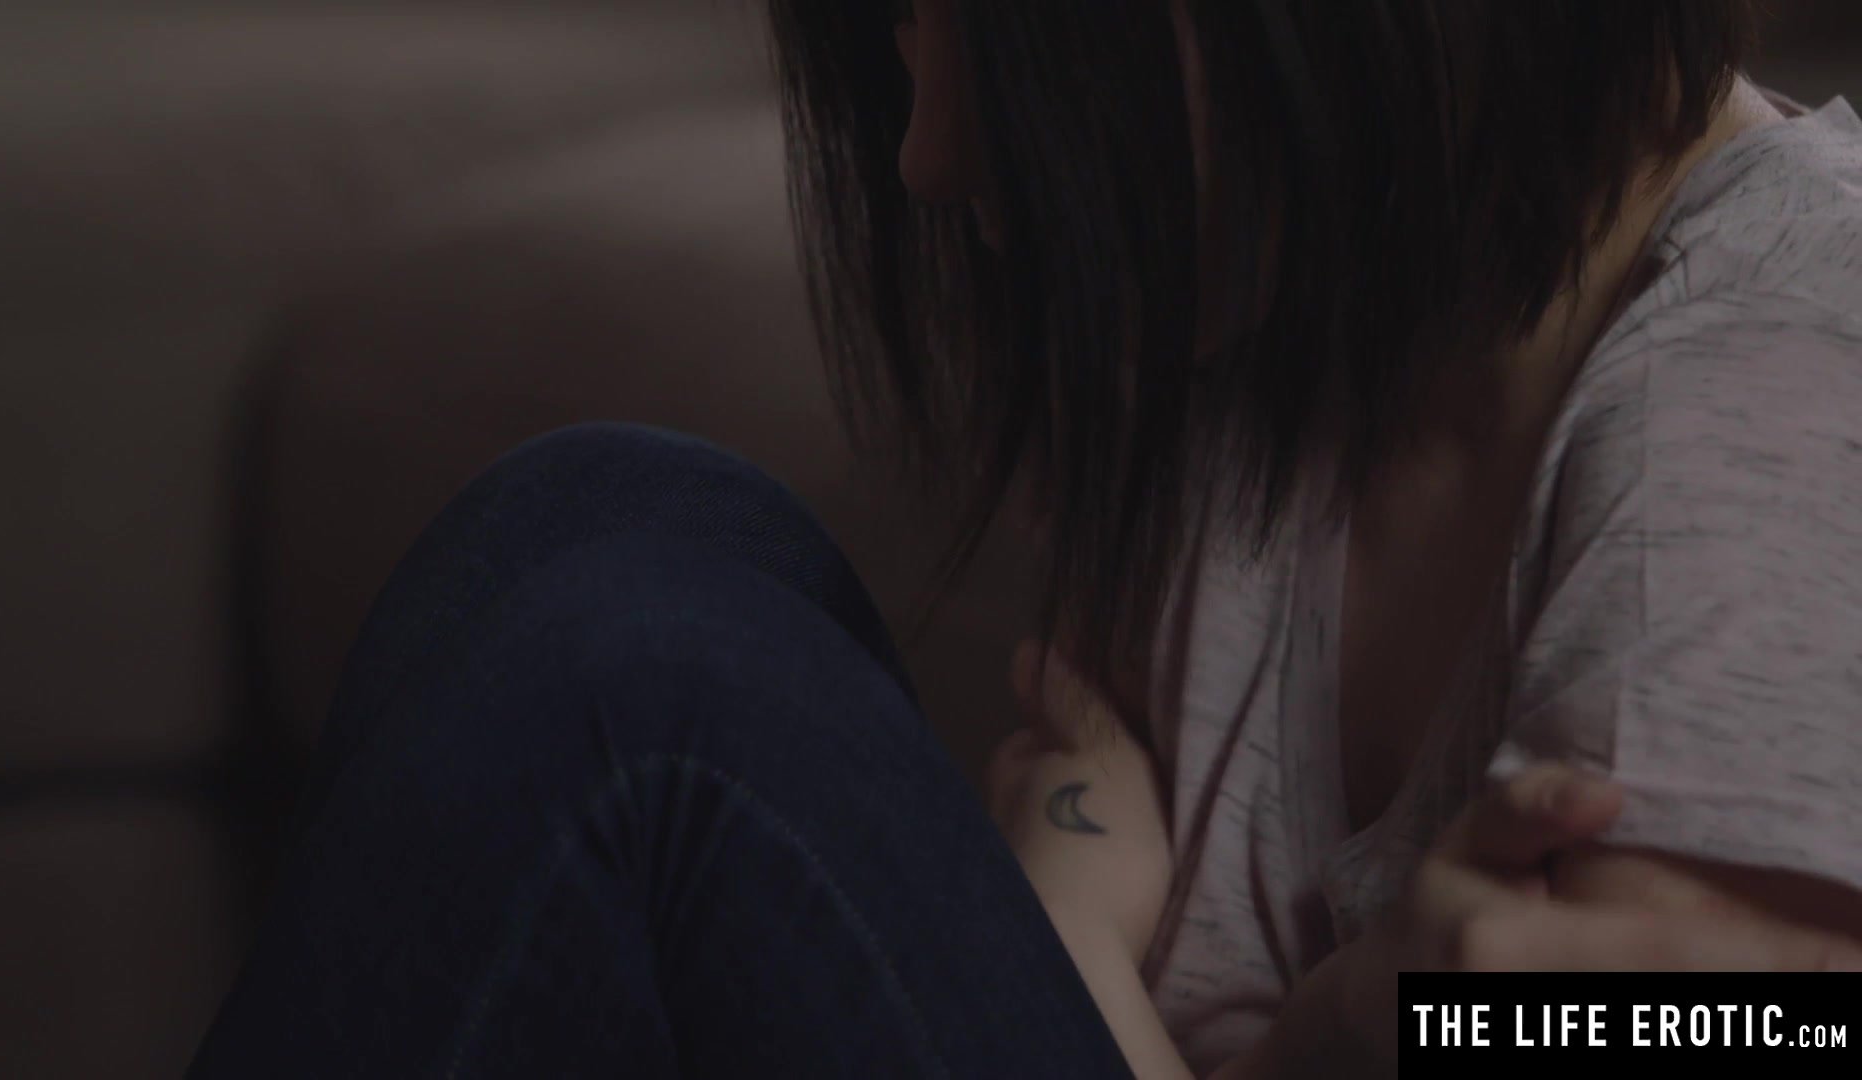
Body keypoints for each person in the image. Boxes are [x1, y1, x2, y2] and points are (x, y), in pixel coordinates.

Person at [191, 2, 1862, 1077]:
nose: (924, 153)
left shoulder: (1768, 390)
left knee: (641, 691)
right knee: (595, 513)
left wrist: (1103, 965)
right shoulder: (1274, 373)